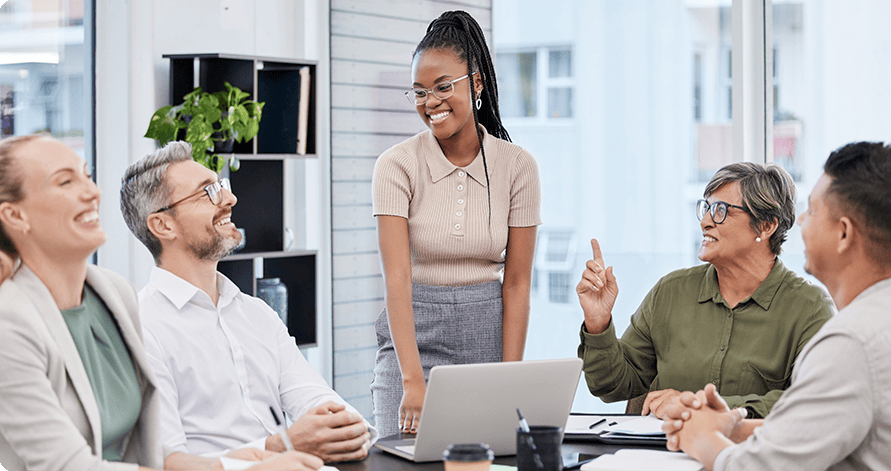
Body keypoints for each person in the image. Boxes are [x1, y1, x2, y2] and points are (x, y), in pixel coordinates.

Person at [0, 134, 323, 471]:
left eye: (86, 176)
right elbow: (65, 467)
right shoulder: (9, 323)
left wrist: (248, 458)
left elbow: (150, 451)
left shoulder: (112, 294)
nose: (92, 192)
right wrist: (236, 468)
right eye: (65, 181)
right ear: (15, 216)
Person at [662, 142, 891, 471]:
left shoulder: (851, 345)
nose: (800, 221)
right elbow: (832, 429)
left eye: (811, 211)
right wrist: (733, 427)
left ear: (843, 233)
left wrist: (700, 438)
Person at [120, 141, 376, 463]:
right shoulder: (143, 328)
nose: (230, 199)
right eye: (207, 192)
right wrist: (278, 447)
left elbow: (316, 398)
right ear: (163, 225)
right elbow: (167, 460)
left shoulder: (257, 313)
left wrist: (343, 427)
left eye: (221, 186)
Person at [371, 10, 541, 436]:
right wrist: (412, 379)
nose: (431, 103)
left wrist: (509, 378)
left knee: (486, 460)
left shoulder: (517, 167)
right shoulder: (396, 166)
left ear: (477, 82)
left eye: (443, 87)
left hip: (488, 334)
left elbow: (518, 282)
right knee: (399, 461)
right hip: (412, 340)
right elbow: (397, 278)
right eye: (419, 92)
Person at [577, 162, 834, 419]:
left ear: (766, 226)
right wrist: (598, 323)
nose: (706, 222)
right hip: (658, 454)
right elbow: (610, 386)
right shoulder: (670, 292)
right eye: (707, 208)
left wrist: (702, 406)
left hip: (746, 455)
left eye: (722, 210)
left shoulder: (809, 307)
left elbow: (813, 400)